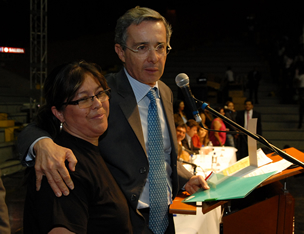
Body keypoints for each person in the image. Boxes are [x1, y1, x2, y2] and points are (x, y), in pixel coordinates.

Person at [18, 7, 209, 234]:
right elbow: (35, 126)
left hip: (167, 217)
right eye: (141, 47)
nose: (154, 57)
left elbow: (157, 154)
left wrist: (185, 179)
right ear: (120, 51)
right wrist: (43, 144)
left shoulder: (165, 92)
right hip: (125, 221)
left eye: (160, 47)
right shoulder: (101, 94)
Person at [23, 61, 132, 233]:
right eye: (83, 99)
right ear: (59, 113)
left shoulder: (92, 149)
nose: (97, 103)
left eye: (100, 93)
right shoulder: (61, 166)